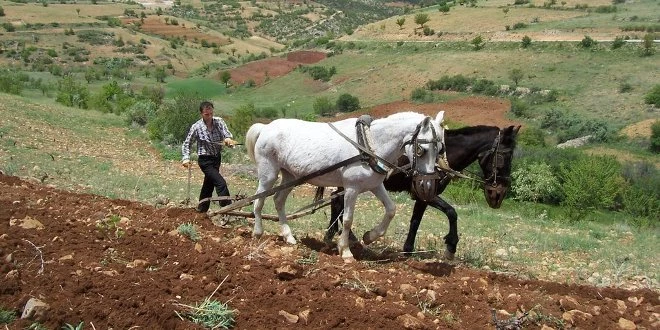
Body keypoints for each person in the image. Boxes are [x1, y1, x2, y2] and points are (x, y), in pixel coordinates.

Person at [182, 101, 237, 213]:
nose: (210, 116)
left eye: (211, 113)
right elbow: (187, 143)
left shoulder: (219, 121)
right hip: (205, 160)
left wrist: (228, 140)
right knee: (220, 183)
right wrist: (186, 158)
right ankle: (227, 209)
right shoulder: (196, 127)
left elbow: (226, 134)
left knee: (209, 184)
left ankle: (202, 209)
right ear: (201, 114)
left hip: (216, 158)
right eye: (207, 114)